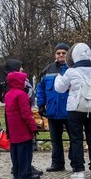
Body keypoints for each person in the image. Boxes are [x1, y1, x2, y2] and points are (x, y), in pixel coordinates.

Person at [54, 43, 91, 179]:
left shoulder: (71, 72)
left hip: (75, 108)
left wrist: (58, 78)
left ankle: (79, 170)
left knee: (76, 139)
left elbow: (60, 88)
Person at [37, 43, 71, 172]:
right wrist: (41, 104)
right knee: (55, 140)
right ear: (55, 55)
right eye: (58, 53)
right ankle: (57, 163)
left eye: (64, 53)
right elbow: (40, 88)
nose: (61, 55)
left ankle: (75, 162)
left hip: (69, 110)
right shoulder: (47, 69)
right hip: (52, 110)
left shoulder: (72, 68)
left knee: (74, 138)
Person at [4, 71, 39, 179]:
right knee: (25, 151)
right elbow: (26, 114)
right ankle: (25, 173)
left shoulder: (8, 94)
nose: (25, 83)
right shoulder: (21, 95)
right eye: (23, 81)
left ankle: (17, 171)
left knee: (15, 150)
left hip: (13, 127)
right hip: (22, 127)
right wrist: (33, 126)